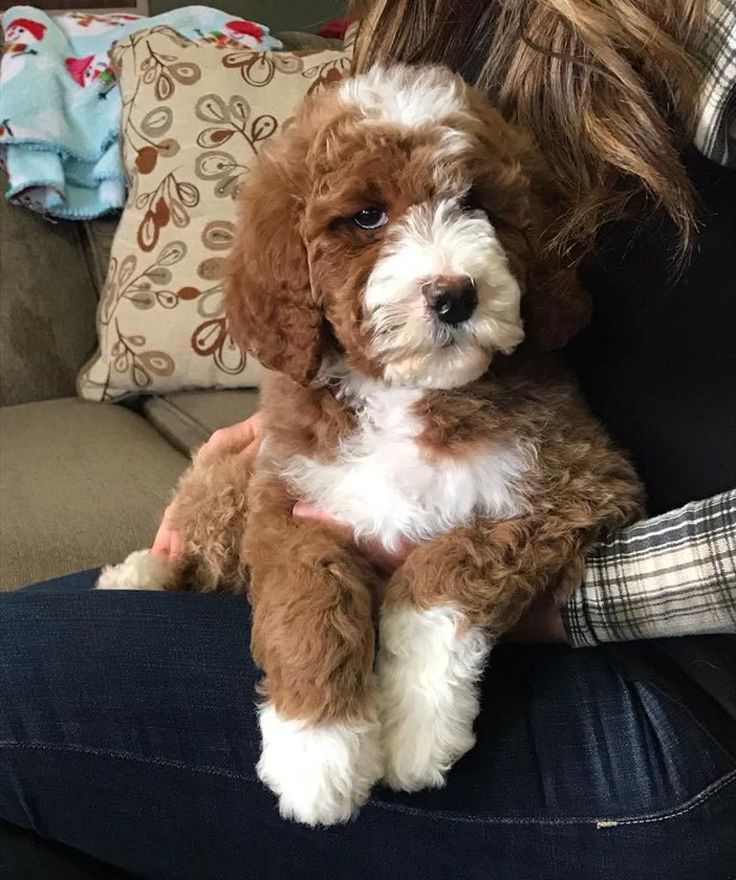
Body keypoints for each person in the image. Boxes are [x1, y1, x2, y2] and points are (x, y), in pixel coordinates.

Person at [1, 1, 735, 877]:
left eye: (474, 208)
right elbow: (294, 518)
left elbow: (590, 491)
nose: (444, 260)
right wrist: (309, 663)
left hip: (673, 692)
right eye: (367, 220)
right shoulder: (474, 33)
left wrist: (446, 619)